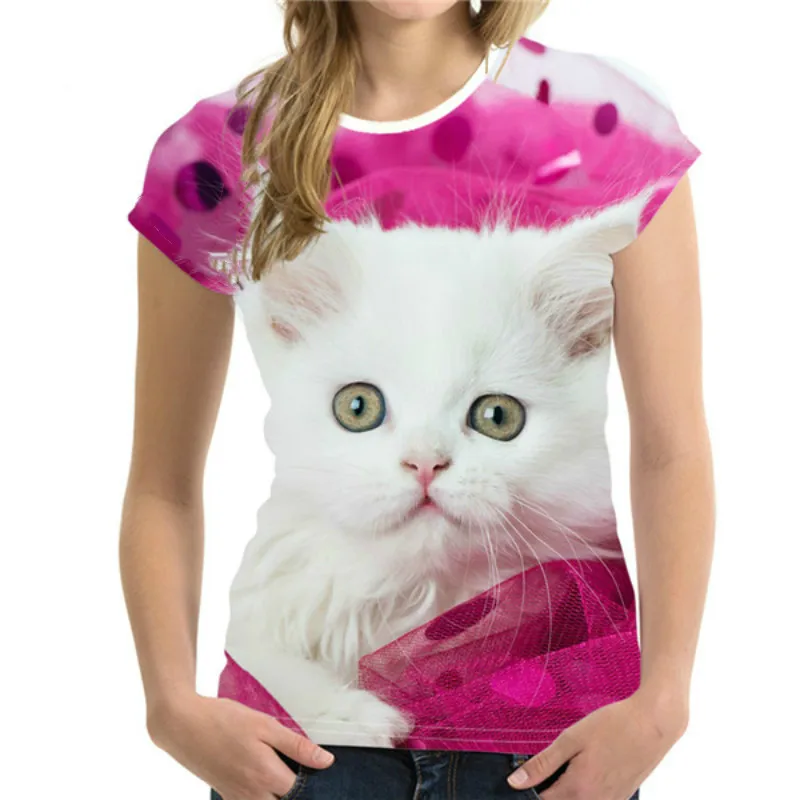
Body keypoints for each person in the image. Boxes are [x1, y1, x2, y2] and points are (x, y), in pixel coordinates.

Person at [119, 1, 714, 798]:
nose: (427, 462)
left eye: (496, 417)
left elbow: (672, 448)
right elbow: (161, 481)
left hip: (562, 744)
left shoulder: (606, 125)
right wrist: (169, 704)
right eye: (360, 409)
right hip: (298, 743)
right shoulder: (220, 151)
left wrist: (663, 703)